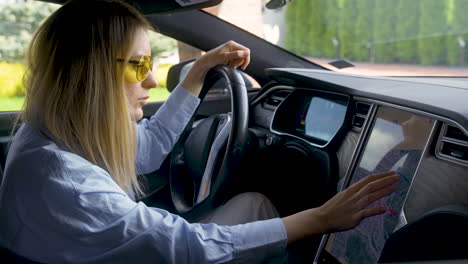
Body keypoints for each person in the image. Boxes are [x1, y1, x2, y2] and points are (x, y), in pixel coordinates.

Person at [0, 0, 400, 263]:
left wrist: (195, 75)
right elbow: (189, 248)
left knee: (253, 206)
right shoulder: (65, 180)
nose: (153, 80)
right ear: (90, 76)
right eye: (138, 66)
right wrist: (320, 219)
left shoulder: (52, 132)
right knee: (258, 208)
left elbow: (148, 151)